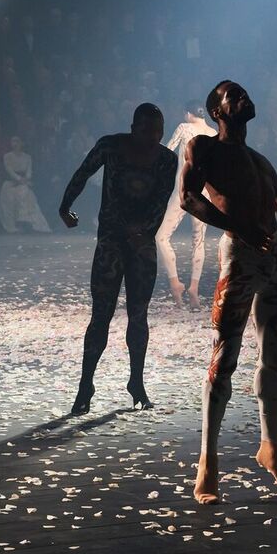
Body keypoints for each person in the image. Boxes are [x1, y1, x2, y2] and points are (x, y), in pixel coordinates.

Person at [181, 80, 277, 505]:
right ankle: (207, 464)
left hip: (274, 259)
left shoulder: (260, 161)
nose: (244, 98)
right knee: (224, 356)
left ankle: (272, 449)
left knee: (274, 357)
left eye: (243, 93)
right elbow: (188, 198)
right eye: (234, 96)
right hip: (240, 258)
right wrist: (238, 226)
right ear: (217, 111)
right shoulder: (205, 148)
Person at [59, 103, 177, 415]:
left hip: (141, 246)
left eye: (157, 133)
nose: (152, 139)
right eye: (147, 132)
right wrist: (65, 205)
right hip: (112, 242)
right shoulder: (111, 146)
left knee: (138, 315)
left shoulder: (166, 159)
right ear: (133, 129)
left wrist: (145, 231)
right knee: (101, 315)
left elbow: (161, 201)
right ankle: (86, 384)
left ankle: (136, 382)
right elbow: (83, 173)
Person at [155, 104, 217, 308]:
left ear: (188, 114)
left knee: (161, 237)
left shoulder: (184, 127)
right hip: (204, 193)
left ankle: (175, 283)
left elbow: (166, 152)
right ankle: (194, 288)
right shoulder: (213, 133)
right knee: (199, 241)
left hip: (182, 192)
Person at [0, 136, 51, 233]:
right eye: (13, 141)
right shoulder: (7, 156)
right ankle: (12, 225)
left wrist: (25, 180)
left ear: (22, 143)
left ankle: (29, 223)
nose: (15, 143)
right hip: (10, 183)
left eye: (17, 141)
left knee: (26, 194)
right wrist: (19, 179)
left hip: (23, 183)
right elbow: (9, 170)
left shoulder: (27, 157)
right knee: (10, 197)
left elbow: (29, 171)